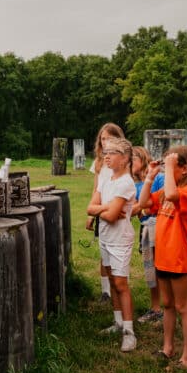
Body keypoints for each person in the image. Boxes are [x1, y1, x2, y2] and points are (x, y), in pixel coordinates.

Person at [138, 146, 187, 368]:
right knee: (167, 304)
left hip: (179, 257)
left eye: (171, 167)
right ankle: (167, 347)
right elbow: (145, 203)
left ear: (184, 170)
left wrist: (167, 166)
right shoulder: (166, 191)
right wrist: (149, 177)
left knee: (183, 305)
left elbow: (174, 195)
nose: (166, 172)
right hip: (163, 257)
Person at [87, 137, 138, 352]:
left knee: (120, 284)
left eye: (112, 153)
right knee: (111, 279)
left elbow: (112, 215)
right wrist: (107, 208)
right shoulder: (107, 176)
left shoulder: (126, 182)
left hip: (120, 240)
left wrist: (107, 211)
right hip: (106, 238)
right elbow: (91, 208)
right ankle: (117, 322)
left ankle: (129, 331)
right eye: (105, 152)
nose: (106, 156)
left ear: (125, 158)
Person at [86, 123, 126, 303]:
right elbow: (96, 187)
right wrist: (91, 214)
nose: (105, 142)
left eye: (109, 138)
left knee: (114, 250)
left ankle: (118, 286)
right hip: (100, 208)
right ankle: (106, 291)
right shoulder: (99, 162)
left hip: (115, 207)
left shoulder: (121, 160)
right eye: (102, 139)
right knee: (103, 251)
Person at [130, 146, 164, 323]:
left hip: (161, 228)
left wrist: (142, 207)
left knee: (162, 269)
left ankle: (169, 307)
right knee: (150, 270)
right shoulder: (133, 184)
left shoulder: (158, 178)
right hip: (145, 229)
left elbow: (161, 202)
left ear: (142, 159)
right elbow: (136, 209)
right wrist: (143, 208)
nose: (129, 163)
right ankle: (156, 308)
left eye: (133, 159)